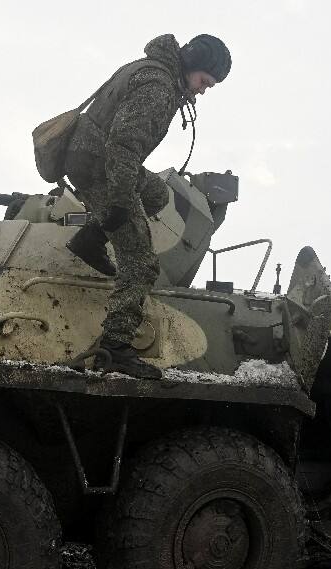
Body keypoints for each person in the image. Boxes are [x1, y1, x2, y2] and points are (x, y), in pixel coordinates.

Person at [64, 33, 231, 380]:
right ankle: (115, 347)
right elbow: (123, 147)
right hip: (102, 164)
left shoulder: (155, 70)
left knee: (158, 194)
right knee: (141, 264)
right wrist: (121, 203)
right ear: (191, 64)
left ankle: (90, 238)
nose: (203, 90)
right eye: (204, 81)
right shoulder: (158, 85)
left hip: (95, 155)